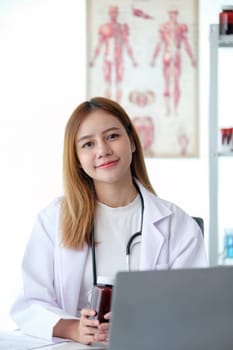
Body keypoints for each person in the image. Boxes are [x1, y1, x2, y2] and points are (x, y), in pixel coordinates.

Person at [11, 97, 208, 345]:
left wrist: (144, 319)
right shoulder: (54, 219)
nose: (103, 150)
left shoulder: (177, 225)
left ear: (133, 142)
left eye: (112, 136)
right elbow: (30, 302)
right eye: (88, 144)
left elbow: (193, 307)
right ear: (78, 160)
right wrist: (74, 328)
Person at [150, 9, 196, 115]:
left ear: (177, 15)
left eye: (174, 14)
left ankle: (175, 109)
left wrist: (191, 57)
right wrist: (153, 58)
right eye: (171, 14)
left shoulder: (181, 28)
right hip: (167, 55)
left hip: (177, 55)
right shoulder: (164, 27)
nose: (172, 16)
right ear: (169, 15)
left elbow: (186, 43)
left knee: (176, 82)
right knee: (166, 83)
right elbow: (160, 43)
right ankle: (167, 108)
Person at [89, 5, 137, 102]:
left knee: (118, 83)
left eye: (115, 12)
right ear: (109, 14)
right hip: (108, 57)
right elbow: (99, 44)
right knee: (108, 83)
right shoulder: (104, 27)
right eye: (111, 12)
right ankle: (108, 107)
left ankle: (118, 108)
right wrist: (93, 59)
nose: (113, 14)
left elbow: (127, 43)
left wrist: (133, 59)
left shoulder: (122, 27)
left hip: (118, 57)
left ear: (117, 14)